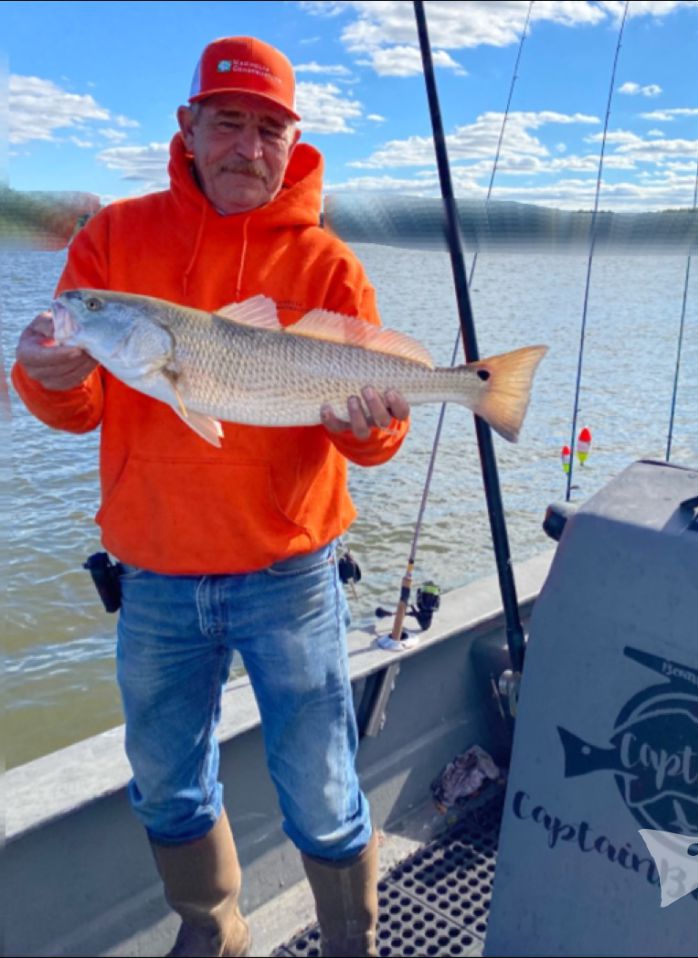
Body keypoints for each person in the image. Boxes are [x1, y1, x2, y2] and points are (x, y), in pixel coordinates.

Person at [12, 36, 408, 958]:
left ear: (293, 140)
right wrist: (49, 370)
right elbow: (72, 406)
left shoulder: (328, 264)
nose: (248, 146)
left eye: (270, 128)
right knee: (165, 781)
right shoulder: (115, 241)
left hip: (291, 576)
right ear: (187, 128)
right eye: (228, 122)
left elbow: (377, 436)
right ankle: (212, 929)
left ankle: (352, 938)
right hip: (152, 577)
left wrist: (371, 425)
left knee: (321, 782)